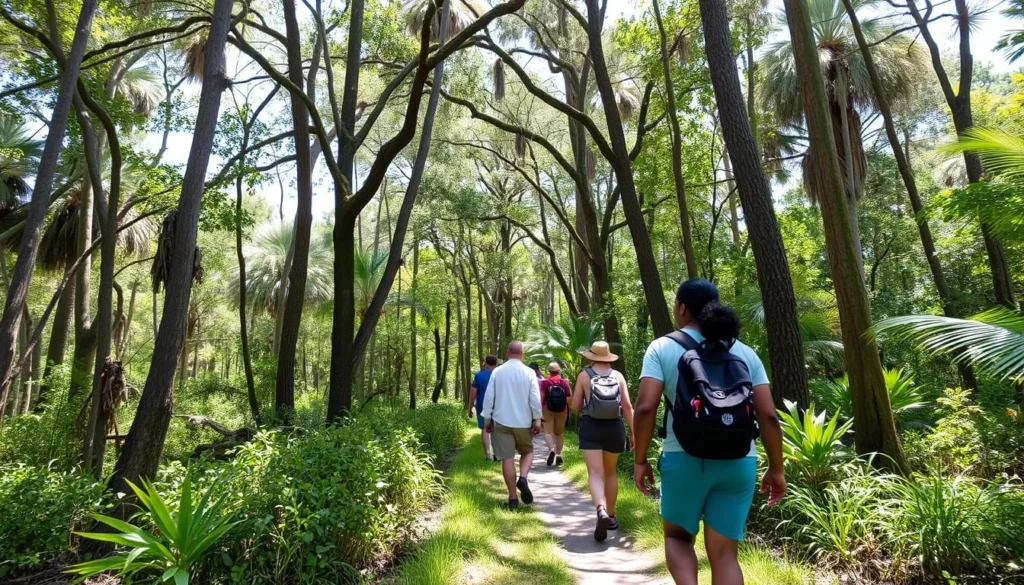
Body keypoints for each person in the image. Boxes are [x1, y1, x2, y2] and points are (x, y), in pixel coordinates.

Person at [632, 278, 786, 585]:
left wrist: (640, 460)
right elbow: (768, 415)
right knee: (726, 554)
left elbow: (645, 408)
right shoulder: (745, 353)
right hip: (739, 460)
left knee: (678, 538)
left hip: (683, 457)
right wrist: (776, 468)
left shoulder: (662, 347)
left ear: (683, 309)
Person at [571, 341, 634, 542]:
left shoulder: (584, 375)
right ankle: (612, 516)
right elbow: (627, 406)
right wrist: (634, 432)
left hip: (591, 426)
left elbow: (575, 406)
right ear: (608, 357)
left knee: (595, 473)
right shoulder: (618, 376)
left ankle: (601, 510)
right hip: (614, 427)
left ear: (592, 356)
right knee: (611, 473)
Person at [481, 341, 543, 509]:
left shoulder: (498, 372)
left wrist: (487, 418)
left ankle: (513, 498)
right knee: (528, 451)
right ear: (522, 354)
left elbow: (489, 397)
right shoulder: (529, 373)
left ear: (507, 353)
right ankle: (522, 478)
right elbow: (535, 398)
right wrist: (537, 419)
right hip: (523, 422)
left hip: (501, 421)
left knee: (507, 458)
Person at [539, 362, 572, 466]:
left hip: (548, 409)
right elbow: (569, 400)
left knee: (548, 432)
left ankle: (551, 449)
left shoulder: (545, 382)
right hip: (562, 410)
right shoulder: (564, 382)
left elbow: (541, 398)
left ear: (549, 371)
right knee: (559, 433)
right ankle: (558, 454)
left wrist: (539, 411)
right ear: (559, 370)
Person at [468, 355, 499, 461]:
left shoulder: (478, 376)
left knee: (485, 429)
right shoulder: (499, 375)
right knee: (497, 429)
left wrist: (470, 406)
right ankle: (497, 454)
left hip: (481, 404)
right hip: (498, 405)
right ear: (496, 363)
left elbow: (473, 392)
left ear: (485, 363)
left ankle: (487, 455)